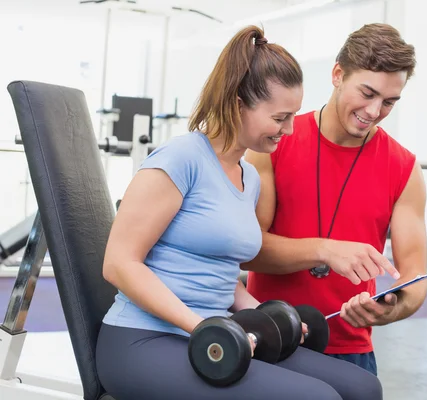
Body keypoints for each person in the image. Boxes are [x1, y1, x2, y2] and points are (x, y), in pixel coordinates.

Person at [95, 25, 383, 400]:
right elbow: (118, 264)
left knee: (361, 387)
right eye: (280, 118)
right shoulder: (179, 160)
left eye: (293, 116)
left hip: (213, 334)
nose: (290, 130)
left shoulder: (248, 176)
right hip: (143, 341)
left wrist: (269, 317)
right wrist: (203, 327)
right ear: (237, 104)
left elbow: (221, 273)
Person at [242, 23, 427, 376]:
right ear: (338, 74)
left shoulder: (404, 169)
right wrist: (325, 250)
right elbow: (249, 251)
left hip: (351, 348)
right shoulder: (275, 144)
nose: (374, 111)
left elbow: (415, 275)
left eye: (389, 102)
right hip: (272, 337)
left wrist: (391, 310)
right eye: (368, 93)